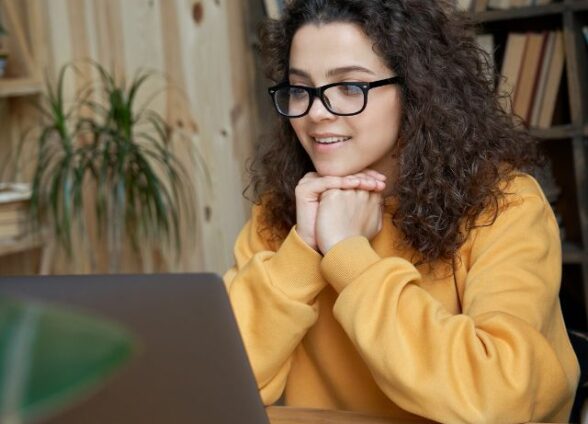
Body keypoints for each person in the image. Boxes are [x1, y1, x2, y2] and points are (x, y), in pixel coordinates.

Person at [224, 0, 580, 422]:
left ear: (417, 90)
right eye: (300, 89)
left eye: (350, 87)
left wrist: (349, 257)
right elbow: (219, 384)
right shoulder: (281, 213)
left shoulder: (506, 205)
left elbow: (499, 398)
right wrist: (301, 250)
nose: (316, 112)